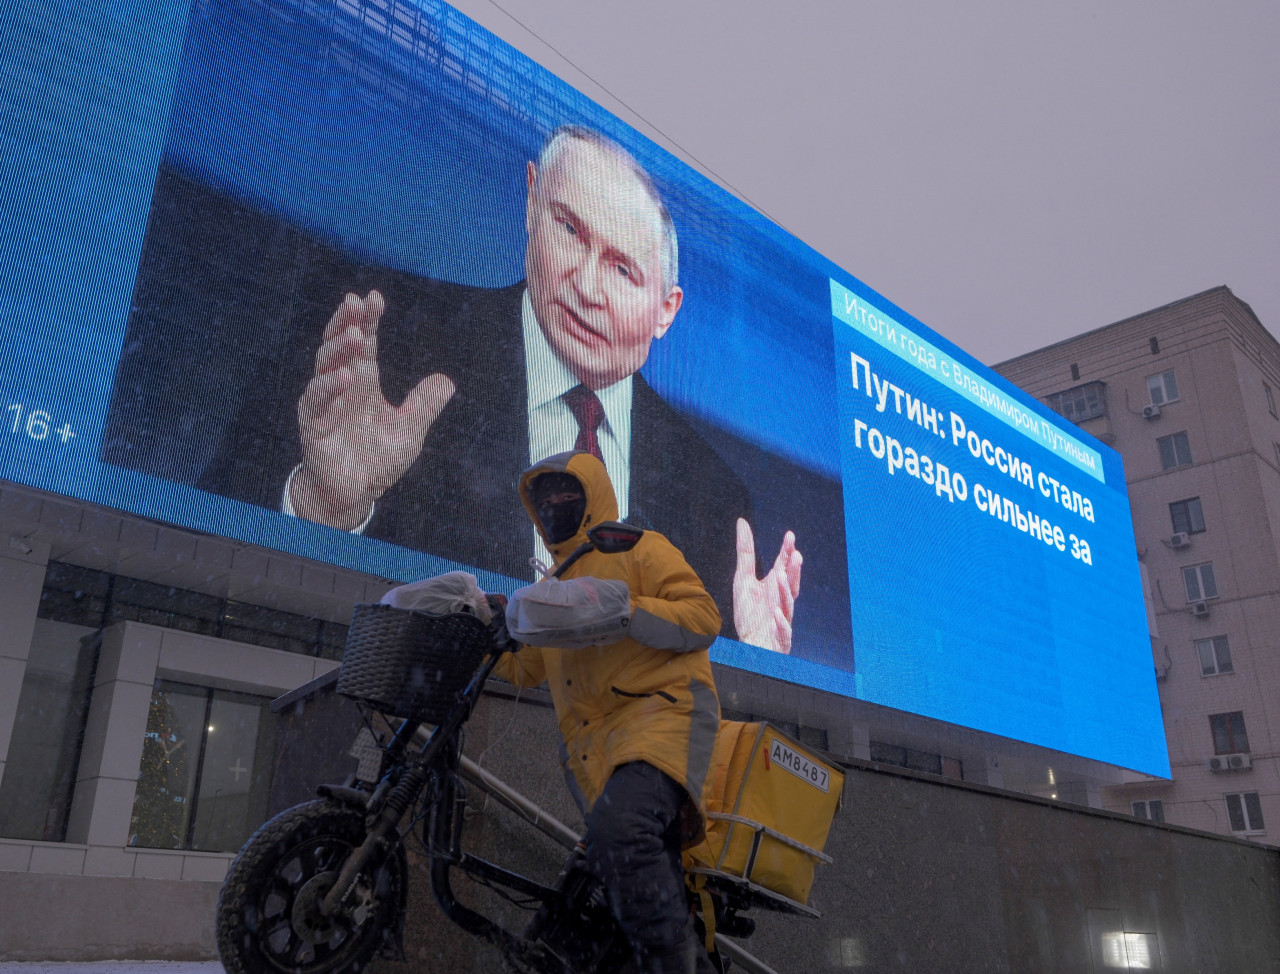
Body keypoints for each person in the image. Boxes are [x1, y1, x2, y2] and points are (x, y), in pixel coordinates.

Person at [202, 125, 802, 652]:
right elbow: (204, 536)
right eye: (569, 229)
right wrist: (324, 499)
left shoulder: (714, 494)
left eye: (623, 270)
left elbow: (687, 688)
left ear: (666, 311)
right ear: (531, 197)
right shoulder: (386, 343)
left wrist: (751, 663)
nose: (587, 287)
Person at [496, 450, 721, 974]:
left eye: (568, 494)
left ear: (593, 497)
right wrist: (485, 629)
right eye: (544, 498)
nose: (555, 505)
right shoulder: (553, 587)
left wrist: (624, 609)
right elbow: (528, 667)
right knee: (614, 887)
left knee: (620, 834)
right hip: (599, 755)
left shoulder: (640, 548)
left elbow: (703, 617)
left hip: (662, 721)